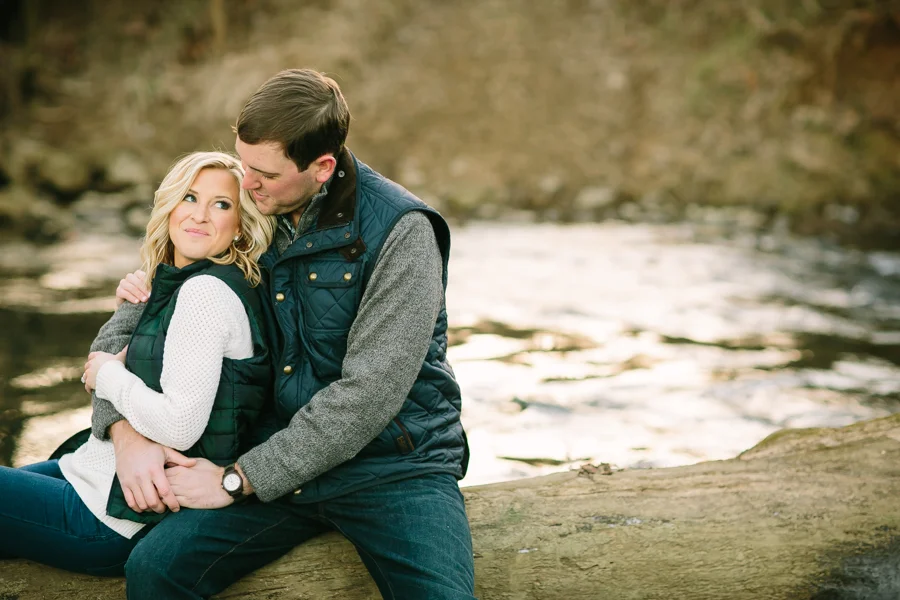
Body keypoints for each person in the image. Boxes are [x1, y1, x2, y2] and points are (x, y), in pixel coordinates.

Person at [105, 69, 475, 599]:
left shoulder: (403, 232)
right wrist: (124, 433)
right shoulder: (252, 210)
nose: (243, 182)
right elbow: (135, 321)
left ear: (321, 167)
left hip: (392, 466)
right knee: (156, 567)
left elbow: (368, 396)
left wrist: (237, 479)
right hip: (277, 460)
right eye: (242, 162)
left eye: (263, 173)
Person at [0, 151, 275, 576]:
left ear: (240, 224)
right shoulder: (176, 283)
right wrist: (130, 309)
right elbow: (109, 353)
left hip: (110, 518)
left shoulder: (205, 294)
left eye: (222, 204)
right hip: (92, 474)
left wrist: (110, 376)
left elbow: (179, 424)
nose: (200, 214)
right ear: (168, 206)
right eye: (189, 197)